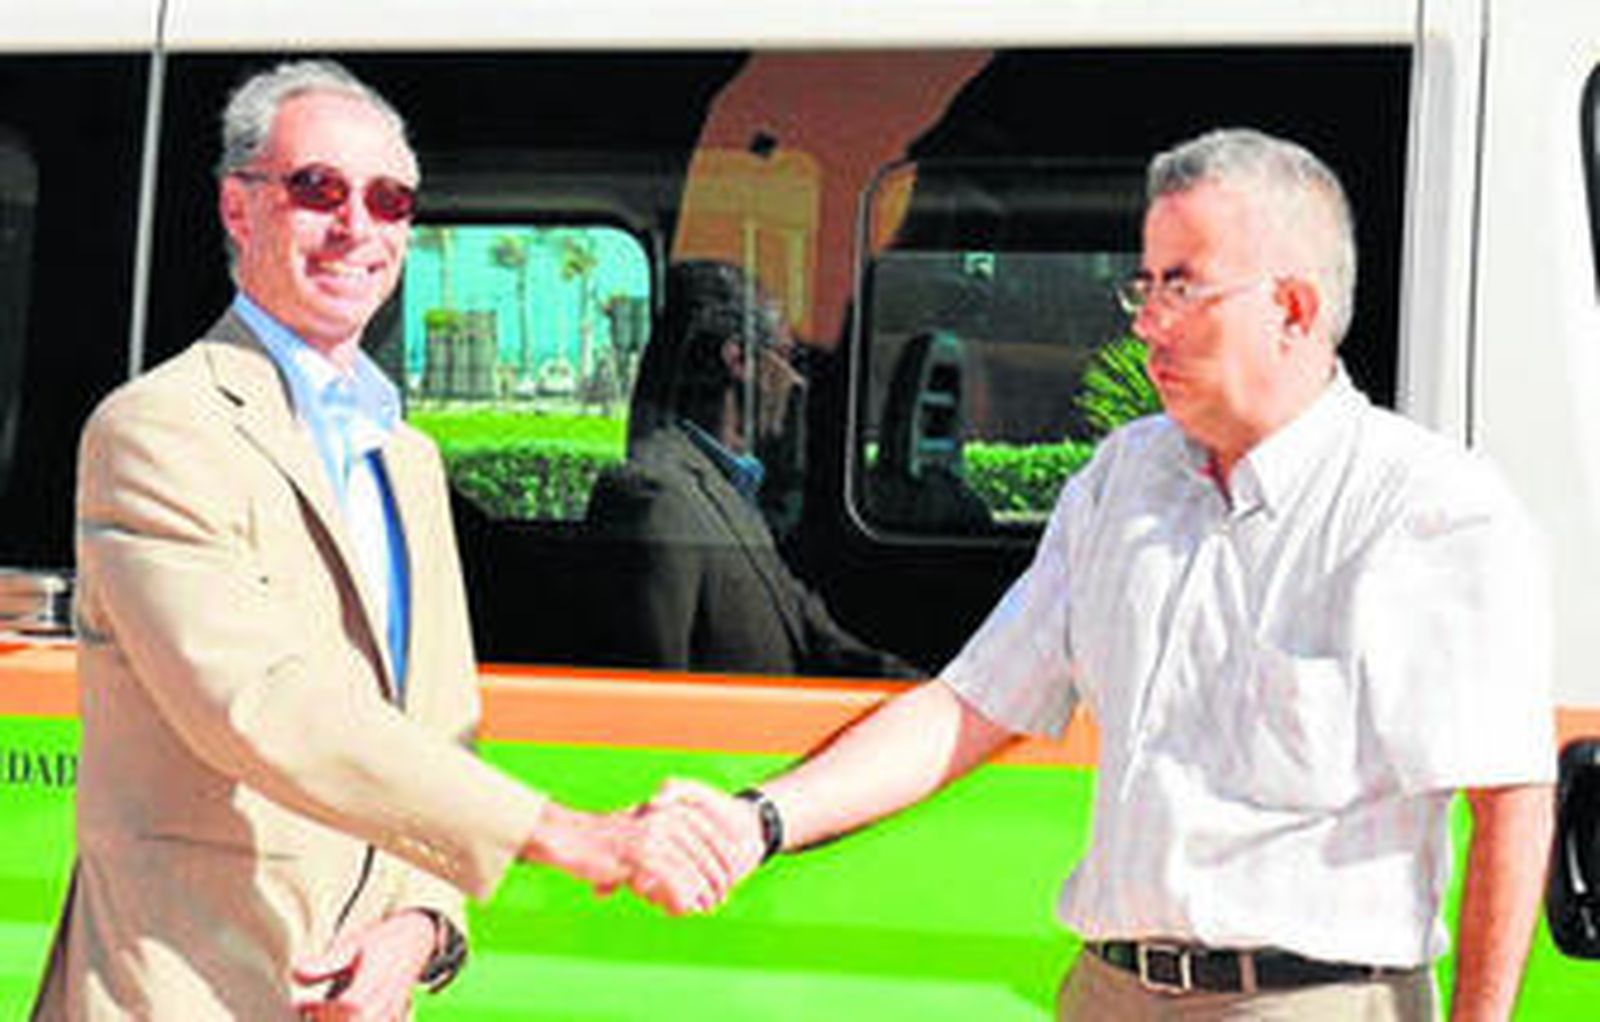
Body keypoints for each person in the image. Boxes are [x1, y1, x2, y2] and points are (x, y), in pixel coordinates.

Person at [670, 128, 1557, 1021]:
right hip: (1108, 990)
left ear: (1292, 307)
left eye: (1183, 286)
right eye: (1146, 284)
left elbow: (1511, 803)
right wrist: (759, 819)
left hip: (1308, 998)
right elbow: (969, 706)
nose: (1145, 320)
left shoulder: (1425, 507)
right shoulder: (1124, 479)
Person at [32, 60, 738, 1021]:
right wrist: (571, 836)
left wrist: (422, 926)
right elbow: (260, 706)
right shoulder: (158, 428)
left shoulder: (406, 456)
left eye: (389, 199)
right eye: (317, 189)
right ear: (239, 208)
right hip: (193, 993)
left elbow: (440, 729)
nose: (356, 226)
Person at [585, 259, 917, 678]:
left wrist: (922, 692)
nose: (797, 380)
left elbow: (809, 624)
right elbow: (653, 691)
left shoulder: (730, 486)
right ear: (740, 360)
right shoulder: (656, 498)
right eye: (788, 356)